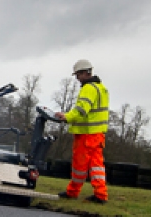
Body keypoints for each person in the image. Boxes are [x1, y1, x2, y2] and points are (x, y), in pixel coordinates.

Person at [55, 59, 110, 204]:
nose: (77, 78)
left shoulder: (88, 88)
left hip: (86, 134)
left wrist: (66, 117)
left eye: (78, 74)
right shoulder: (101, 88)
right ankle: (100, 195)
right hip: (97, 134)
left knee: (80, 165)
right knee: (96, 166)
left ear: (85, 72)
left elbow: (81, 110)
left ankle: (73, 192)